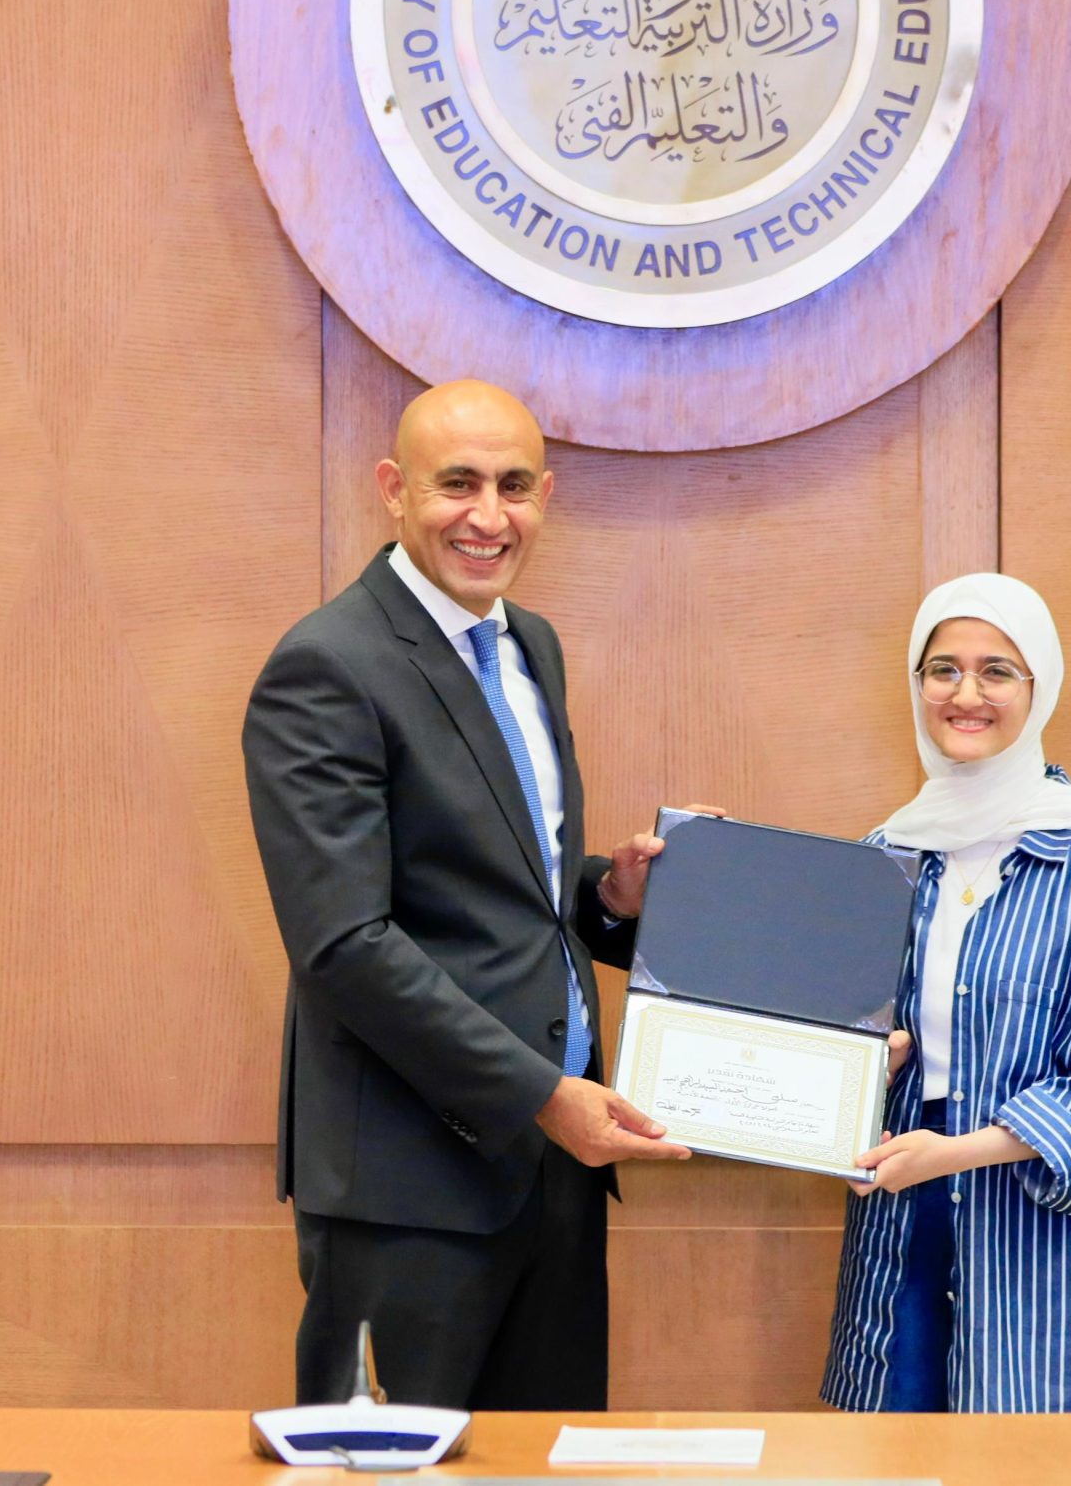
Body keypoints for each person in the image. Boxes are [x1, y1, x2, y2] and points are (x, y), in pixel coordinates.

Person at [242, 378, 705, 1411]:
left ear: (546, 496)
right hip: (408, 1191)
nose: (488, 517)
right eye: (457, 484)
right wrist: (542, 1095)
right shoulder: (327, 665)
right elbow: (343, 943)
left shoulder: (530, 643)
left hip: (554, 1175)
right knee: (391, 1475)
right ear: (392, 489)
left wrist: (610, 898)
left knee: (542, 1470)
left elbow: (506, 884)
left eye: (513, 486)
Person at [821, 573, 1071, 1413]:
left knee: (1037, 1455)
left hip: (1045, 1224)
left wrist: (957, 1153)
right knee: (897, 1447)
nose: (966, 695)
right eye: (943, 670)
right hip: (903, 1210)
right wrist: (863, 1075)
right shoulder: (889, 853)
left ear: (1040, 687)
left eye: (997, 671)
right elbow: (857, 1026)